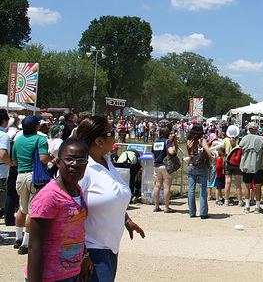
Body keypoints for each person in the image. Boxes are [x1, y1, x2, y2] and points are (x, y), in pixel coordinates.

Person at [75, 116, 145, 282]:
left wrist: (126, 220)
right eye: (111, 132)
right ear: (99, 141)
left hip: (110, 247)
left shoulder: (106, 161)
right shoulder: (83, 170)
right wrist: (84, 254)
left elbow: (112, 196)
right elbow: (70, 214)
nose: (115, 136)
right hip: (92, 249)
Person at [28, 137, 93, 282]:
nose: (75, 164)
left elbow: (76, 230)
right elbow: (34, 247)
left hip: (73, 274)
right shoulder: (49, 196)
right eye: (69, 159)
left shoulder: (77, 191)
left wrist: (85, 257)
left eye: (81, 160)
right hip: (50, 277)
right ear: (58, 162)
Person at [12, 114, 50, 255]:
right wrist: (51, 157)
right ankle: (26, 244)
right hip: (35, 177)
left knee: (22, 208)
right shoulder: (40, 139)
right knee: (32, 210)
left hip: (20, 175)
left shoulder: (18, 140)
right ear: (37, 126)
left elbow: (14, 161)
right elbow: (43, 158)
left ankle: (18, 238)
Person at [239, 122, 263, 214]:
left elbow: (240, 147)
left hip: (246, 165)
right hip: (257, 165)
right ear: (256, 130)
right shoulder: (261, 139)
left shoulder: (244, 138)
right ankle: (257, 206)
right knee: (258, 187)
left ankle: (247, 206)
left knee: (247, 186)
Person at [186, 123, 211, 219]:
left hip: (191, 165)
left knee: (191, 189)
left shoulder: (188, 140)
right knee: (203, 189)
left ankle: (192, 211)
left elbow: (188, 153)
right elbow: (208, 152)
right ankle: (203, 212)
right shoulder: (201, 140)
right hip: (201, 166)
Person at [152, 126, 177, 213]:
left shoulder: (155, 142)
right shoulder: (168, 142)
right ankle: (166, 207)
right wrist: (173, 149)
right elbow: (171, 152)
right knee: (166, 187)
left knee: (157, 186)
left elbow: (153, 156)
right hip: (165, 166)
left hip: (156, 165)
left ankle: (156, 206)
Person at [0, 109, 15, 245]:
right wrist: (11, 162)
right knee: (0, 206)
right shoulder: (3, 136)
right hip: (1, 173)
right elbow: (3, 154)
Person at [223, 125, 243, 206]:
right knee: (238, 183)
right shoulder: (240, 141)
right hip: (238, 162)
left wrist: (222, 154)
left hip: (228, 162)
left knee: (227, 182)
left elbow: (218, 148)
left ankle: (226, 200)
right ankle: (240, 200)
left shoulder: (225, 140)